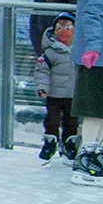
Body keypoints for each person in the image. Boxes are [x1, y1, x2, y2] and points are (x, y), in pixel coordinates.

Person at [69, 0, 103, 185]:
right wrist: (93, 47)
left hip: (98, 54)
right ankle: (87, 157)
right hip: (98, 57)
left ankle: (96, 154)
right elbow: (95, 12)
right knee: (94, 108)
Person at [35, 12, 78, 162]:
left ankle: (69, 145)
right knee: (52, 120)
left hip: (73, 95)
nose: (63, 32)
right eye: (59, 28)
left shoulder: (79, 50)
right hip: (54, 94)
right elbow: (42, 71)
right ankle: (50, 143)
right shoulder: (50, 52)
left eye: (68, 28)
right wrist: (42, 88)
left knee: (71, 121)